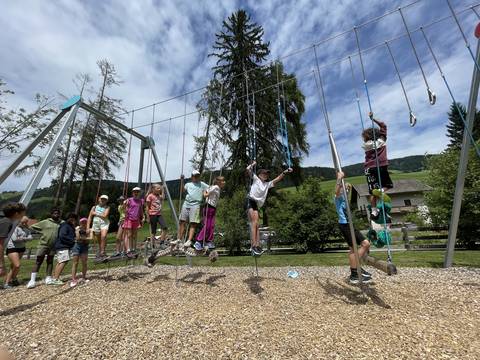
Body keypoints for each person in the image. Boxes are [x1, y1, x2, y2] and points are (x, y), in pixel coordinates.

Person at [246, 162, 292, 256]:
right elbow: (247, 169)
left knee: (257, 225)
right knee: (254, 222)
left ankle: (257, 246)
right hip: (250, 201)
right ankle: (253, 246)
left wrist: (285, 172)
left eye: (267, 174)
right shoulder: (256, 179)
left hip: (256, 205)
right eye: (264, 173)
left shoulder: (267, 184)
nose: (266, 175)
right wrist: (253, 164)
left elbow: (278, 179)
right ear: (259, 175)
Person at [335, 171, 372, 284]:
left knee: (356, 248)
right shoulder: (338, 198)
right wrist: (339, 180)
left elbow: (346, 190)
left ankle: (355, 270)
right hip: (345, 225)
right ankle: (355, 272)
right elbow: (336, 192)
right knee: (365, 244)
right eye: (343, 188)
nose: (345, 190)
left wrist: (348, 188)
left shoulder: (344, 199)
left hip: (348, 224)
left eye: (346, 189)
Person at [362, 112, 393, 219]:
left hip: (369, 169)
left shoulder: (365, 145)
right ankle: (381, 190)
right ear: (377, 134)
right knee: (388, 185)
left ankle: (374, 211)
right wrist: (373, 118)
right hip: (381, 166)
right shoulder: (381, 141)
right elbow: (384, 126)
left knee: (372, 193)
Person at [26, 207, 63, 289]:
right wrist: (40, 232)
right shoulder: (45, 222)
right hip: (43, 245)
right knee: (38, 261)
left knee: (50, 261)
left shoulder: (61, 223)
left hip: (53, 246)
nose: (56, 215)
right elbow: (32, 227)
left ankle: (48, 278)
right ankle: (32, 280)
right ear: (51, 214)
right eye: (54, 213)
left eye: (58, 213)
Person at [174, 170, 208, 251]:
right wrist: (182, 181)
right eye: (195, 176)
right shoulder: (188, 184)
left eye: (198, 176)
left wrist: (207, 194)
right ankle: (179, 239)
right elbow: (182, 191)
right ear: (192, 176)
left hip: (196, 204)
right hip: (186, 203)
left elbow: (210, 188)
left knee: (193, 223)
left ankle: (189, 240)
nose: (196, 177)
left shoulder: (202, 184)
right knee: (182, 221)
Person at [194, 176, 226, 252]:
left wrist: (206, 190)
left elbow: (207, 191)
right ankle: (198, 241)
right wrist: (205, 192)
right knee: (208, 225)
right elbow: (205, 195)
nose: (224, 182)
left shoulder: (215, 188)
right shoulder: (215, 187)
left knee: (211, 226)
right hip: (209, 207)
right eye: (223, 181)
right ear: (219, 182)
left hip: (212, 208)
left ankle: (208, 241)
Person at [4, 216, 32, 288]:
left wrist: (22, 238)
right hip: (12, 248)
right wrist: (26, 238)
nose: (25, 223)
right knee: (17, 265)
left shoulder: (26, 229)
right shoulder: (14, 228)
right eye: (23, 222)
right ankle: (8, 282)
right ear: (19, 221)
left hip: (21, 248)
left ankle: (12, 280)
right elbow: (15, 239)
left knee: (14, 266)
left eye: (26, 222)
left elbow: (31, 237)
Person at [0, 203, 27, 278]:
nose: (24, 214)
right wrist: (1, 265)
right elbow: (0, 244)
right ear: (16, 213)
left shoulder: (6, 221)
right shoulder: (6, 223)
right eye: (23, 212)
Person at [51, 213, 78, 286]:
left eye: (74, 219)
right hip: (63, 246)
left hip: (62, 246)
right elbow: (62, 236)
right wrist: (73, 240)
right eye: (73, 219)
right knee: (64, 261)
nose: (74, 221)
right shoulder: (65, 225)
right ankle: (56, 279)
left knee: (60, 261)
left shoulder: (68, 225)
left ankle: (54, 278)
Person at [123, 187, 145, 258]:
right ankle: (128, 249)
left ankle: (133, 248)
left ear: (139, 193)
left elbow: (141, 209)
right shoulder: (129, 200)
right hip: (129, 219)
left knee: (134, 235)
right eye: (135, 192)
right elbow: (125, 208)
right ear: (132, 193)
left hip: (136, 219)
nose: (136, 193)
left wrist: (143, 216)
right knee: (129, 234)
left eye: (137, 192)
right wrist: (125, 206)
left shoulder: (140, 201)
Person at [70, 217, 92, 287]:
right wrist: (86, 238)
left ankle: (84, 277)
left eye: (85, 222)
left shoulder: (89, 229)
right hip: (77, 246)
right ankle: (73, 279)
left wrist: (83, 238)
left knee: (84, 262)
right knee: (75, 263)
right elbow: (77, 237)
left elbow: (91, 238)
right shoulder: (77, 228)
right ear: (80, 223)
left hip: (84, 246)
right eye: (82, 222)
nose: (84, 223)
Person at [87, 195, 110, 259]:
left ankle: (102, 252)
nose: (103, 200)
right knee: (99, 240)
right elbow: (89, 217)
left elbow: (105, 215)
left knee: (104, 236)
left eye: (105, 199)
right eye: (102, 199)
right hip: (96, 223)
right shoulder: (94, 207)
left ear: (106, 201)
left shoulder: (107, 207)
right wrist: (88, 227)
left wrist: (95, 213)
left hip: (104, 223)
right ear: (99, 199)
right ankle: (101, 251)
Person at [146, 183, 168, 248]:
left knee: (165, 227)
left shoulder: (159, 195)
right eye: (158, 188)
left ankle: (162, 243)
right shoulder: (150, 196)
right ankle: (152, 244)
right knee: (153, 230)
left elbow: (163, 198)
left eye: (159, 188)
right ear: (153, 189)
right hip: (152, 215)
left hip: (159, 214)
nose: (159, 189)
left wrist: (163, 189)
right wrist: (147, 217)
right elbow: (147, 207)